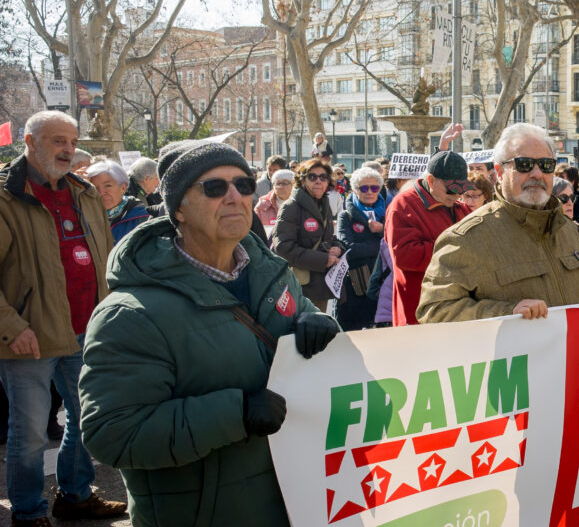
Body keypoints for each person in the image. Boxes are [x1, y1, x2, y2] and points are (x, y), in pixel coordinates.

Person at [78, 142, 338, 527]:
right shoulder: (130, 314)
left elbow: (304, 323)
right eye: (214, 188)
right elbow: (112, 434)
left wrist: (319, 325)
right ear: (178, 210)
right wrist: (234, 413)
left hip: (291, 501)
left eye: (243, 185)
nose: (234, 196)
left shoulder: (272, 273)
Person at [0, 111, 127, 527]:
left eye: (72, 142)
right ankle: (27, 511)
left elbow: (106, 259)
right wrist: (12, 328)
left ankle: (74, 496)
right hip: (31, 338)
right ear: (29, 142)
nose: (68, 150)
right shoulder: (6, 197)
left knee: (87, 418)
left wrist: (110, 315)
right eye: (57, 141)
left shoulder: (84, 192)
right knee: (30, 433)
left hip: (87, 330)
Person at [418, 124, 579, 322]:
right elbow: (434, 311)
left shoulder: (567, 228)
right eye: (524, 164)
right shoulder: (467, 238)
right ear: (499, 172)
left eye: (546, 165)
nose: (537, 174)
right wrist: (507, 313)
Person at [385, 150, 473, 326]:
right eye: (451, 190)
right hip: (419, 311)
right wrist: (456, 250)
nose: (457, 195)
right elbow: (404, 255)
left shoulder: (459, 207)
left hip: (456, 308)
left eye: (461, 189)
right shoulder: (403, 205)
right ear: (431, 180)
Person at [271, 158, 344, 312]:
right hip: (299, 287)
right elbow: (283, 247)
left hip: (320, 285)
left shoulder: (324, 204)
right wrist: (323, 259)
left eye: (323, 177)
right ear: (302, 180)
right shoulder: (291, 207)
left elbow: (328, 238)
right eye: (312, 177)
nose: (318, 181)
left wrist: (337, 247)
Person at [335, 167, 388, 331]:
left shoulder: (388, 213)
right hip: (356, 283)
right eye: (364, 188)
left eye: (374, 188)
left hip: (383, 282)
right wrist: (381, 244)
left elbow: (396, 243)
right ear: (355, 190)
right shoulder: (346, 215)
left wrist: (381, 230)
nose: (369, 192)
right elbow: (349, 248)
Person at [86, 159, 149, 242]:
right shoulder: (84, 217)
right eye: (94, 188)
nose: (101, 193)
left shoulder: (143, 217)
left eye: (107, 186)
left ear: (123, 187)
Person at [255, 169, 295, 236]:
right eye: (278, 183)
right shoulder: (262, 205)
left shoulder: (301, 203)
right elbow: (255, 232)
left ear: (293, 185)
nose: (281, 187)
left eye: (285, 183)